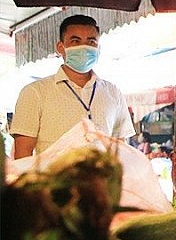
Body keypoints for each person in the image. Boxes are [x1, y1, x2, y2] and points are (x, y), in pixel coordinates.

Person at [10, 14, 134, 157]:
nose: (84, 47)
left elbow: (121, 149)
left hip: (102, 178)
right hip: (54, 179)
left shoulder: (113, 93)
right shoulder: (35, 92)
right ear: (60, 47)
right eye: (75, 41)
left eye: (91, 41)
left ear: (98, 48)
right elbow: (23, 153)